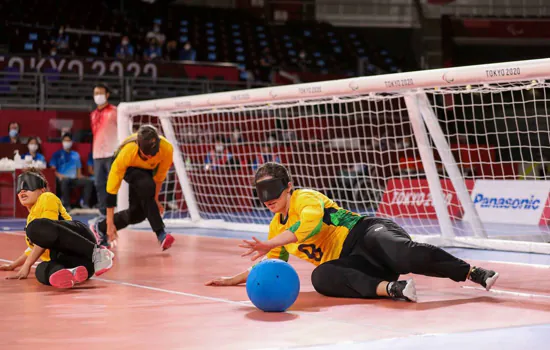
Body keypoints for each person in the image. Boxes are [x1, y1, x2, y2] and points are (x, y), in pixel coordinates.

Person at [205, 162, 499, 302]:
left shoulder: (305, 198)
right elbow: (272, 263)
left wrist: (268, 242)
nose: (268, 199)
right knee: (321, 277)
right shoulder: (274, 227)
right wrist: (237, 278)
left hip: (365, 233)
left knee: (402, 254)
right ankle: (392, 289)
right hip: (356, 265)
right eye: (262, 193)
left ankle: (472, 272)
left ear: (288, 186)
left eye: (273, 191)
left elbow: (304, 229)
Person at [0, 169, 114, 289]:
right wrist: (14, 265)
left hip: (81, 241)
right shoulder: (31, 218)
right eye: (20, 188)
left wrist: (27, 265)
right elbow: (32, 248)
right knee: (41, 269)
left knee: (35, 229)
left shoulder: (46, 198)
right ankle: (69, 273)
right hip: (78, 262)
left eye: (29, 185)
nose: (22, 190)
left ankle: (98, 252)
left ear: (42, 189)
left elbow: (46, 234)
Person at [90, 124, 176, 251]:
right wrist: (109, 222)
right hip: (130, 167)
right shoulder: (127, 153)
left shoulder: (166, 149)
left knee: (138, 214)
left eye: (154, 153)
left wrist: (156, 199)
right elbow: (111, 190)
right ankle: (161, 234)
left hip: (147, 171)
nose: (151, 157)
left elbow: (159, 178)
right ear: (139, 147)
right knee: (146, 185)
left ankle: (99, 228)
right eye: (147, 154)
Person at [90, 83, 118, 218]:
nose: (98, 96)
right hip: (97, 154)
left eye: (100, 93)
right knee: (99, 183)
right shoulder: (93, 114)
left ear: (107, 95)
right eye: (96, 93)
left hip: (112, 152)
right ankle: (103, 211)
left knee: (113, 183)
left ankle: (116, 209)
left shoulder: (115, 111)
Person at [49, 133, 94, 210]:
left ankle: (84, 203)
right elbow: (53, 170)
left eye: (69, 141)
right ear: (62, 142)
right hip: (62, 179)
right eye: (65, 140)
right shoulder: (57, 154)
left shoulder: (75, 154)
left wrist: (81, 176)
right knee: (65, 181)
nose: (67, 142)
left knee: (89, 181)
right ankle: (66, 205)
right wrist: (60, 176)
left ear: (72, 142)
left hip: (74, 179)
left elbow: (79, 171)